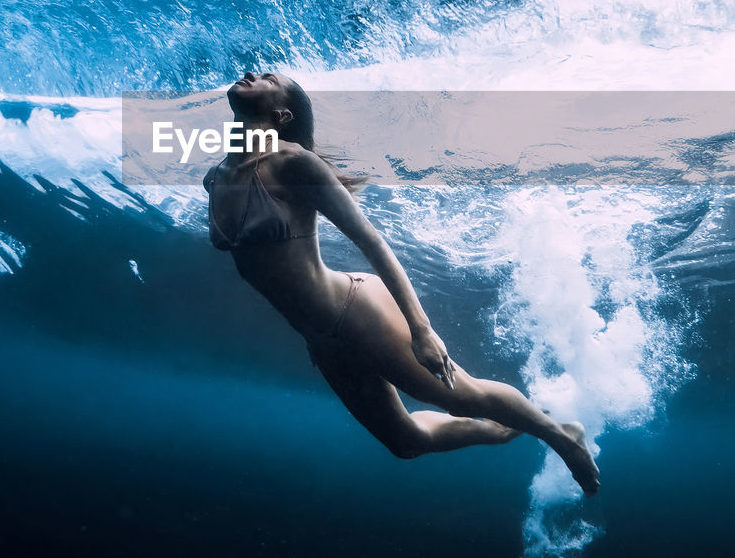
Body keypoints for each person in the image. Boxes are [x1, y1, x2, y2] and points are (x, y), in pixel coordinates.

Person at [202, 70, 600, 495]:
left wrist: (422, 329)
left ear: (282, 115)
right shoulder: (215, 177)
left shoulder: (294, 163)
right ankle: (500, 429)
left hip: (355, 309)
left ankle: (562, 438)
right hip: (321, 339)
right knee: (406, 442)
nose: (251, 73)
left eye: (268, 77)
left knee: (458, 394)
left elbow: (371, 240)